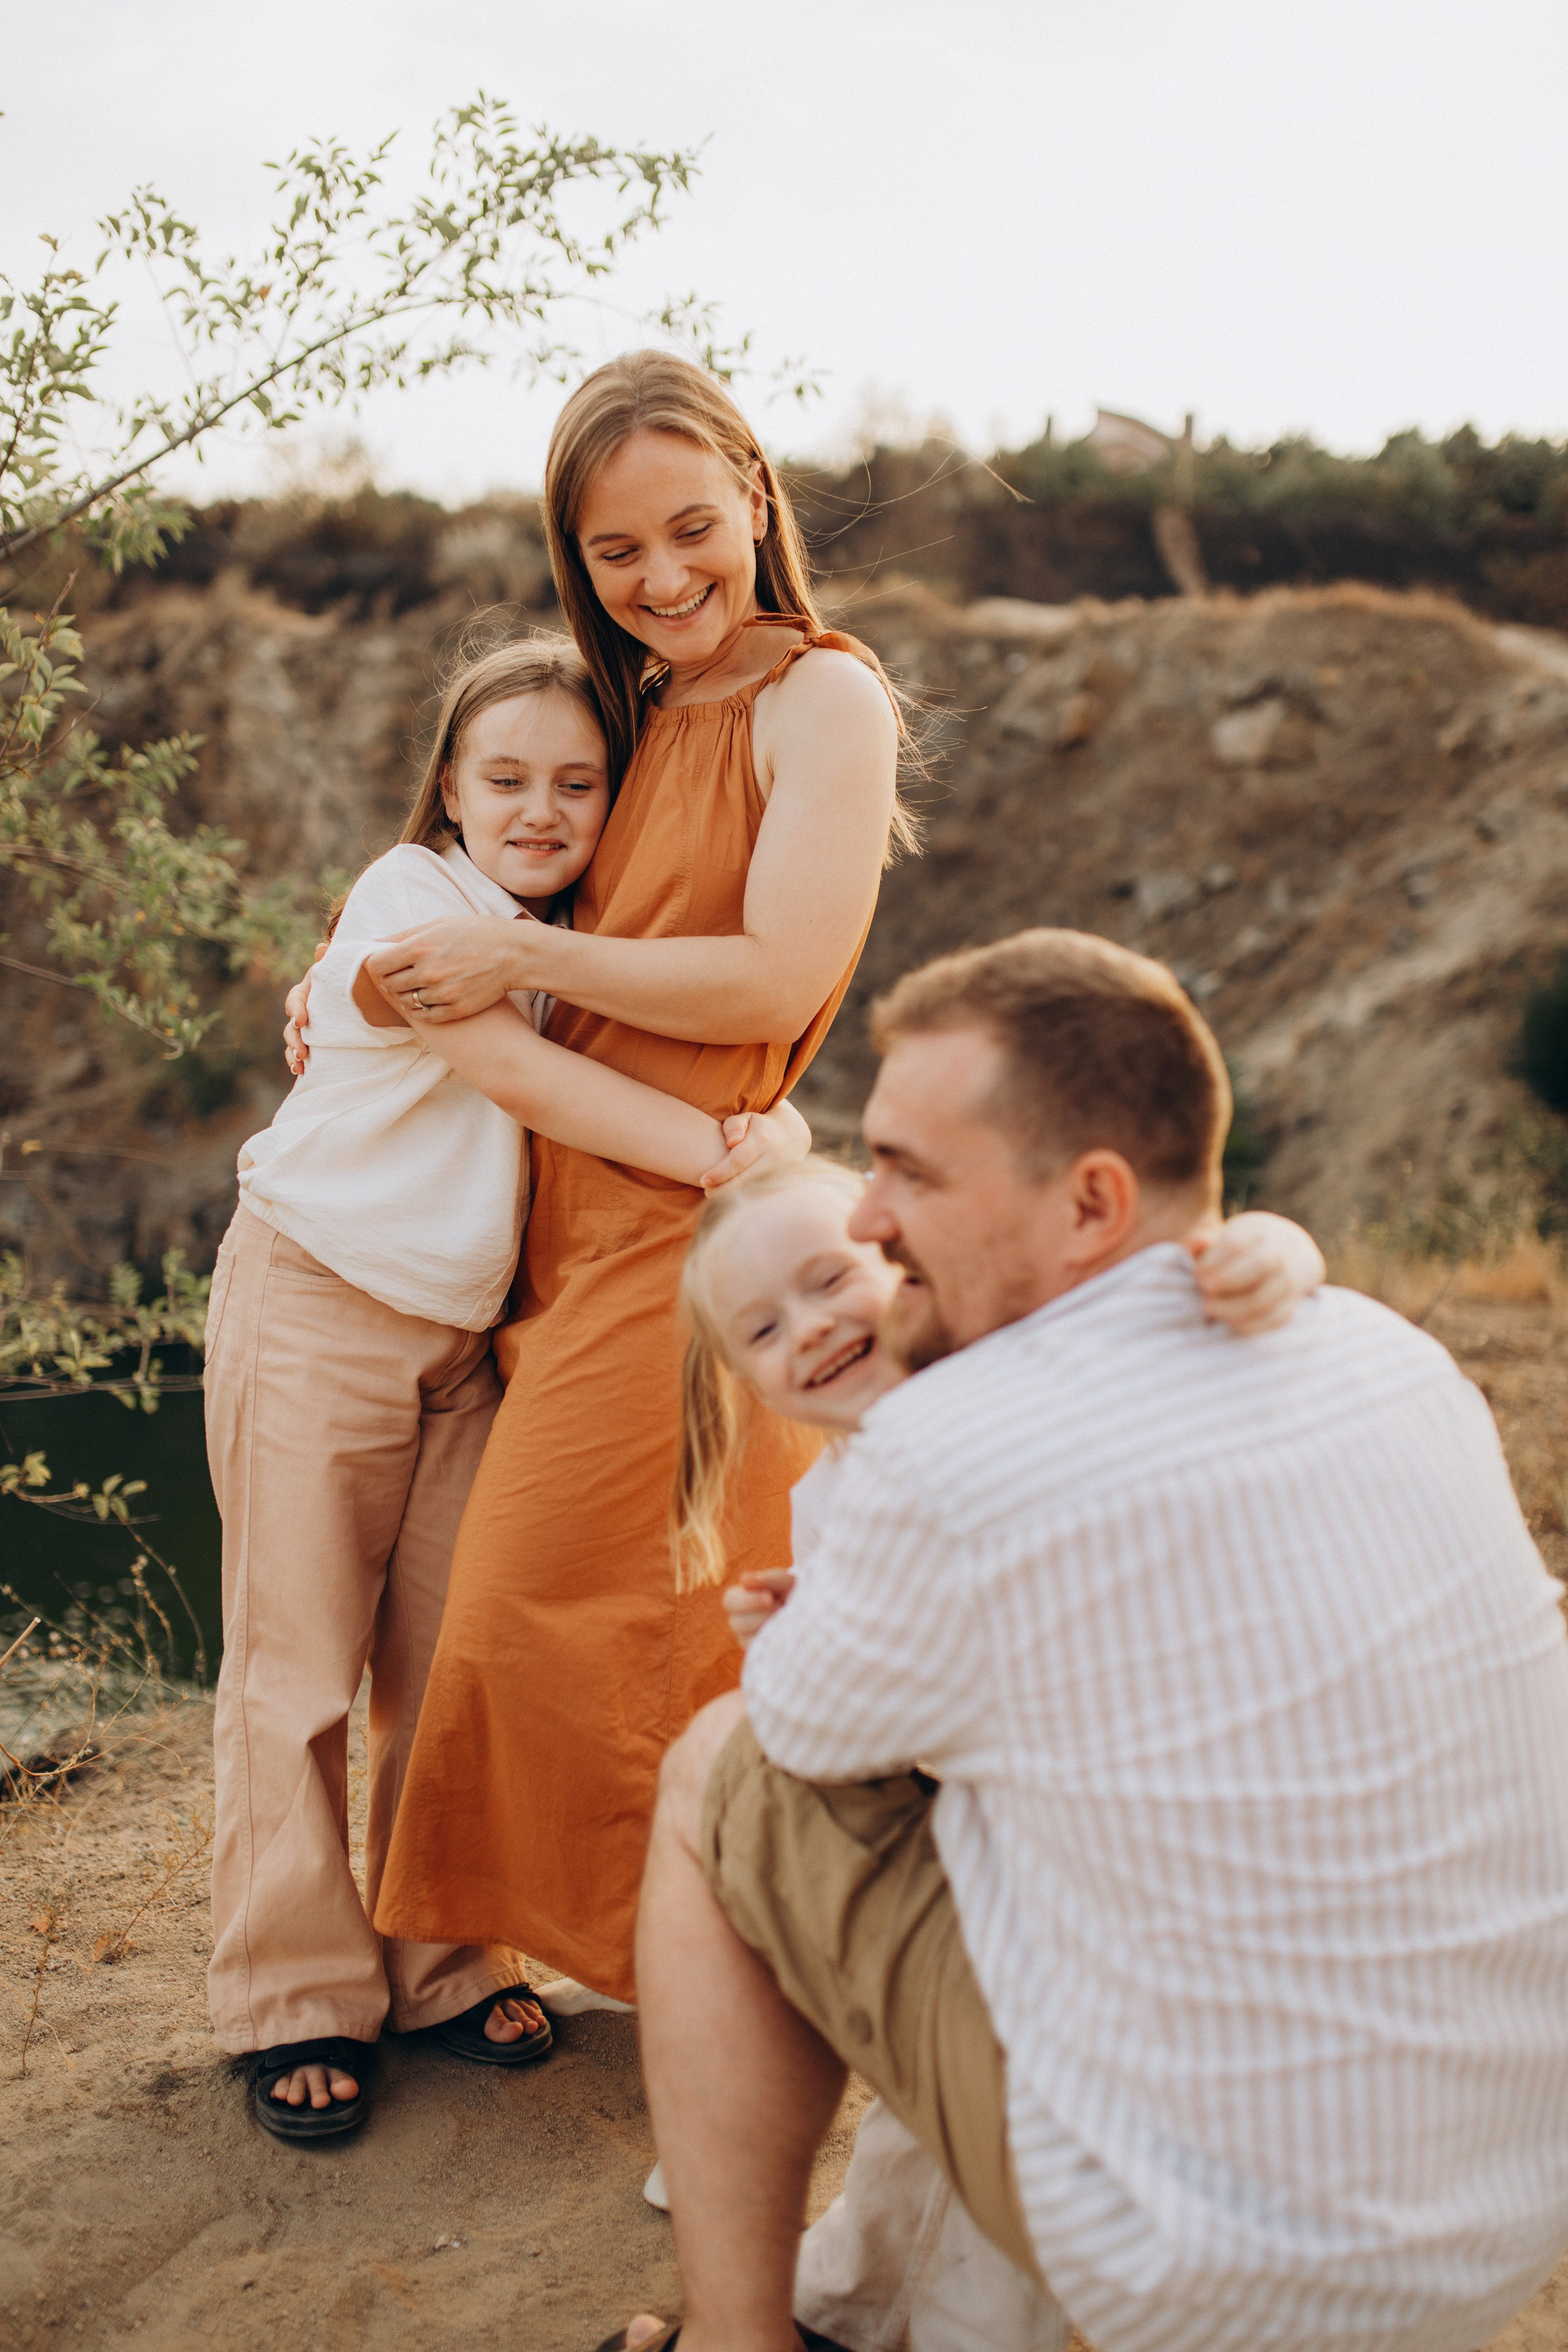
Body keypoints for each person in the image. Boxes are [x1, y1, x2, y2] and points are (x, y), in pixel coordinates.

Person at [611, 928, 1568, 2352]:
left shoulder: (940, 1460)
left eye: (909, 1174)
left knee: (717, 1766)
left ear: (1089, 1202)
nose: (868, 1221)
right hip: (1501, 2215)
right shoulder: (1385, 1351)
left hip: (1222, 2272)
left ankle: (735, 2342)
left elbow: (809, 1742)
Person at [339, 351, 908, 2008]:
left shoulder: (827, 697)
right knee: (635, 1624)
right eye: (613, 553)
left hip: (678, 1228)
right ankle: (706, 1971)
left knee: (562, 1622)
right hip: (563, 1221)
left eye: (690, 528)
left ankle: (728, 1974)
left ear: (755, 495)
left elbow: (771, 975)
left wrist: (510, 952)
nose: (661, 577)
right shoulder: (644, 709)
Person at [206, 635, 804, 2141]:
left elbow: (658, 1036)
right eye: (506, 778)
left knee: (442, 1658)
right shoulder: (417, 899)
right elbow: (526, 1082)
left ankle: (442, 1960)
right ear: (451, 793)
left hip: (470, 1339)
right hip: (320, 1294)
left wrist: (769, 1111)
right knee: (296, 1668)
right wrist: (739, 1158)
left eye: (576, 782)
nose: (540, 808)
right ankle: (291, 1997)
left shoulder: (571, 938)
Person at [668, 1154, 1325, 2352]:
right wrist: (805, 1634)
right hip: (1005, 1859)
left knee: (989, 2134)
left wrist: (1270, 1259)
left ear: (901, 1265)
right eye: (763, 1328)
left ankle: (908, 2319)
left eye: (829, 1281)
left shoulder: (1030, 1378)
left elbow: (1207, 1302)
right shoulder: (830, 1509)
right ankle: (856, 2299)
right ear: (747, 1382)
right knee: (922, 2104)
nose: (808, 1329)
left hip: (1141, 1889)